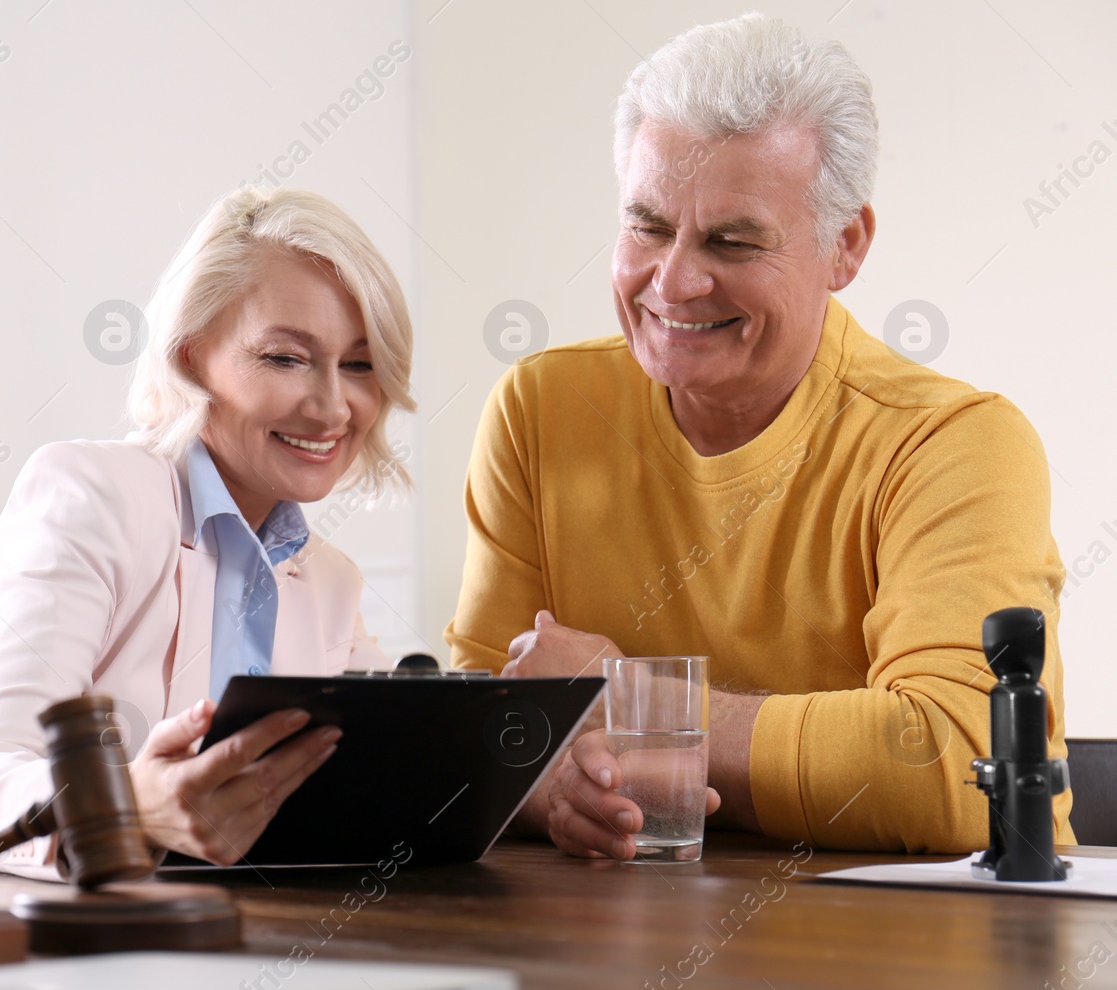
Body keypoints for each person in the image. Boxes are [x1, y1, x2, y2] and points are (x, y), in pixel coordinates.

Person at [447, 14, 1070, 857]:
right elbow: (471, 740)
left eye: (731, 241)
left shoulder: (955, 444)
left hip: (911, 964)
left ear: (844, 246)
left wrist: (628, 702)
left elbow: (958, 769)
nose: (674, 281)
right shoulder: (539, 408)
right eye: (648, 227)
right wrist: (551, 786)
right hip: (620, 952)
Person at [0, 187, 413, 868]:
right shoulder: (91, 498)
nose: (332, 406)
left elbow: (402, 774)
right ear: (187, 358)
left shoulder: (327, 582)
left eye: (358, 365)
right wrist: (124, 809)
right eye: (284, 358)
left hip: (190, 942)